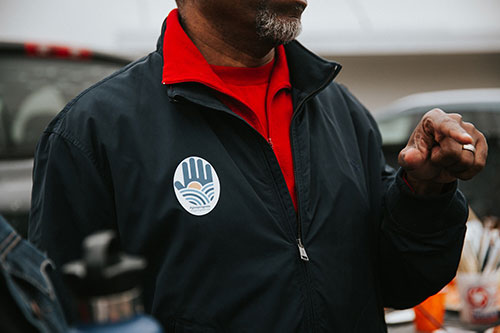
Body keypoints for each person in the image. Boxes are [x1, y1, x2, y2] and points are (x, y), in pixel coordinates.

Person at [29, 0, 487, 331]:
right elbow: (57, 317)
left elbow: (400, 286)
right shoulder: (93, 133)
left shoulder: (341, 111)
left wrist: (424, 194)